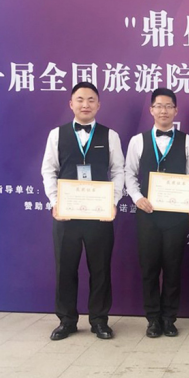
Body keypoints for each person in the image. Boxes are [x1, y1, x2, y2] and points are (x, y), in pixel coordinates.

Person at [41, 81, 124, 341]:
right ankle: (67, 321)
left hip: (99, 214)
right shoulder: (57, 134)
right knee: (65, 269)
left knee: (100, 269)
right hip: (66, 215)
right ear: (71, 104)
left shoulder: (110, 135)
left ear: (98, 105)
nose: (85, 104)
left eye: (91, 100)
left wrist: (112, 201)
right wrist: (55, 201)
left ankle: (99, 320)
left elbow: (118, 171)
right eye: (80, 99)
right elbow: (48, 170)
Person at [124, 87, 189, 338]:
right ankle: (152, 319)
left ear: (176, 110)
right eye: (159, 106)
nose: (164, 110)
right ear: (151, 110)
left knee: (173, 267)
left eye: (169, 106)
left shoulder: (188, 141)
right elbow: (129, 174)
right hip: (148, 215)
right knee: (149, 268)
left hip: (176, 216)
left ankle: (169, 318)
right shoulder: (137, 141)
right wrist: (138, 198)